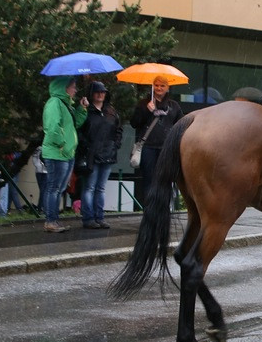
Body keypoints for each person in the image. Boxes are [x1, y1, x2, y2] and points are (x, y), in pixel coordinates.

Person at [41, 77, 87, 233]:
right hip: (57, 153)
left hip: (65, 153)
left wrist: (82, 109)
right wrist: (62, 145)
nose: (75, 90)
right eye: (73, 87)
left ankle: (54, 220)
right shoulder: (55, 103)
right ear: (64, 88)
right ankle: (50, 221)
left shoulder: (66, 105)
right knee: (54, 188)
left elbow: (74, 125)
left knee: (58, 189)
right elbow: (52, 127)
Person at [130, 74, 184, 206]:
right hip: (148, 147)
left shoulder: (174, 106)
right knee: (149, 181)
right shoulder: (144, 104)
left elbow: (181, 125)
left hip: (166, 149)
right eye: (156, 85)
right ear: (153, 87)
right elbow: (134, 123)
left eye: (162, 85)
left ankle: (163, 210)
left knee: (165, 181)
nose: (159, 88)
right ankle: (149, 212)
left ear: (167, 88)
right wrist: (146, 111)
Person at [78, 81, 122, 229]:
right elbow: (79, 130)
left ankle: (100, 216)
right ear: (92, 94)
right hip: (91, 154)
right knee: (89, 187)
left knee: (100, 188)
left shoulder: (111, 111)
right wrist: (87, 146)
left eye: (103, 92)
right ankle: (88, 218)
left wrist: (116, 145)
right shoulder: (86, 111)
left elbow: (118, 130)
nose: (100, 94)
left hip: (108, 154)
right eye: (97, 92)